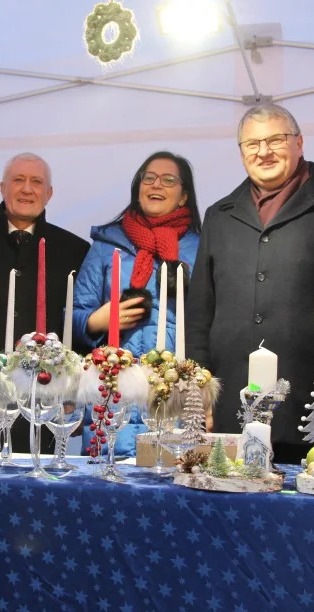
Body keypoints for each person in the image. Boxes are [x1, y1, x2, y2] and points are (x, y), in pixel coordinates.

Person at [185, 104, 314, 464]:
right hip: (233, 400)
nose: (264, 151)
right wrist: (199, 391)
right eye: (252, 144)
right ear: (241, 152)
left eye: (275, 139)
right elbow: (200, 311)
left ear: (300, 142)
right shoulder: (219, 215)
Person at [0, 153, 89, 453]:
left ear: (49, 193)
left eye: (36, 182)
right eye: (18, 180)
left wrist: (76, 390)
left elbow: (78, 321)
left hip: (42, 398)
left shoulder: (74, 249)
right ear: (2, 188)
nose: (27, 189)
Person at [72, 151, 202, 458]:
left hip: (175, 393)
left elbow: (213, 322)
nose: (157, 184)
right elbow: (74, 314)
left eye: (168, 179)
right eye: (149, 177)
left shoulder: (203, 247)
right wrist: (96, 321)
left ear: (183, 196)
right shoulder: (107, 246)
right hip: (113, 390)